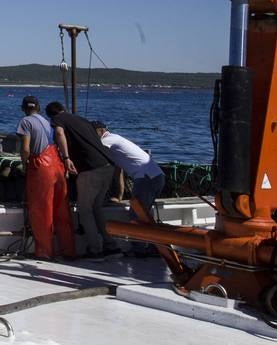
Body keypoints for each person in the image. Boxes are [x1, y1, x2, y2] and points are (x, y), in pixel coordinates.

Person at [46, 101, 119, 258]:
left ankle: (95, 250)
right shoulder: (83, 120)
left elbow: (59, 133)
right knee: (96, 207)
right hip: (107, 166)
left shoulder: (59, 119)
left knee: (84, 209)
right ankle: (111, 245)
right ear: (64, 109)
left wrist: (66, 158)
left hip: (91, 169)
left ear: (52, 114)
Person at [16, 95, 76, 260]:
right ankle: (68, 250)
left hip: (41, 166)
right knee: (61, 210)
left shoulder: (25, 122)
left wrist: (24, 164)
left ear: (23, 108)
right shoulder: (47, 121)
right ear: (39, 108)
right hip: (57, 164)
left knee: (42, 210)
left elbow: (26, 148)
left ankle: (44, 252)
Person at [93, 121, 166, 217]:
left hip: (146, 178)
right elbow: (118, 172)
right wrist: (118, 197)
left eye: (92, 133)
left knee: (136, 216)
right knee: (143, 214)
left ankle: (140, 231)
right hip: (156, 177)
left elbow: (94, 153)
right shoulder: (116, 141)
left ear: (101, 131)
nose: (91, 136)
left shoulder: (107, 140)